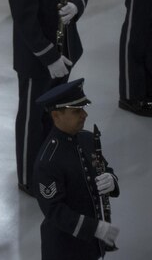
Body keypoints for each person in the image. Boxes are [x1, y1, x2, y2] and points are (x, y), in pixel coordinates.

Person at [8, 0, 92, 196]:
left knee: (60, 115)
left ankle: (54, 170)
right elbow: (25, 19)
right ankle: (29, 177)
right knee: (33, 119)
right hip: (37, 57)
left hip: (67, 47)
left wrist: (77, 4)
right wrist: (49, 57)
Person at [33, 79, 121, 258]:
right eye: (76, 111)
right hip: (66, 248)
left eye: (83, 108)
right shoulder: (48, 160)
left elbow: (104, 168)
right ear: (56, 115)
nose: (85, 115)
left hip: (90, 244)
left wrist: (112, 180)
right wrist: (95, 228)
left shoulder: (88, 139)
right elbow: (54, 210)